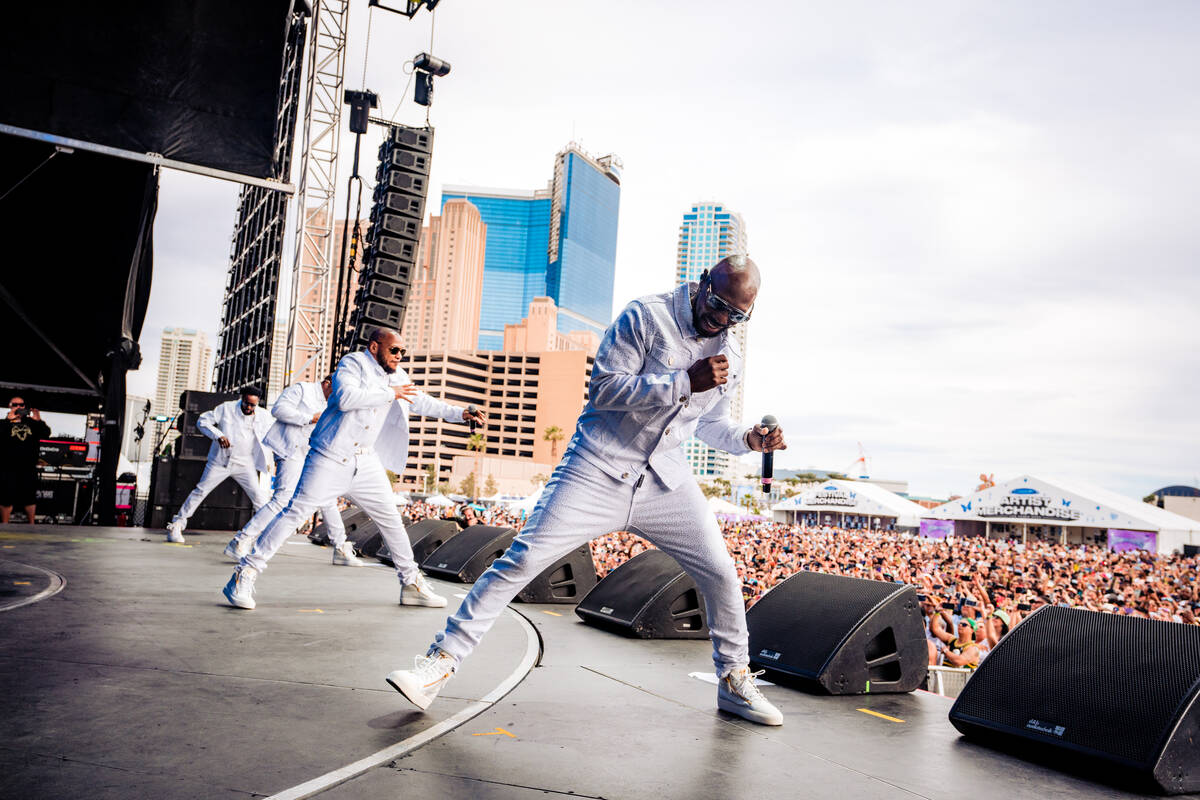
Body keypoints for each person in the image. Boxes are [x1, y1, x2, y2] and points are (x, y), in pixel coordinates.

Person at [386, 255, 788, 727]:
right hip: (597, 465)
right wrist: (683, 381)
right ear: (702, 283)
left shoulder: (731, 355)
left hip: (665, 480)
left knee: (721, 572)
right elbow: (605, 390)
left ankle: (734, 680)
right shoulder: (646, 315)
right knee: (523, 560)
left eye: (737, 316)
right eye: (719, 305)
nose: (723, 320)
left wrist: (748, 440)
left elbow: (711, 424)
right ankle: (441, 663)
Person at [222, 328, 486, 610]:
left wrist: (460, 413)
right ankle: (244, 573)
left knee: (391, 521)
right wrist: (390, 393)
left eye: (402, 352)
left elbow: (421, 401)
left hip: (366, 460)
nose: (399, 356)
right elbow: (347, 398)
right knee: (294, 513)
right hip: (329, 456)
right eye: (394, 350)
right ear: (374, 347)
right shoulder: (352, 364)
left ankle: (411, 584)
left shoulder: (397, 377)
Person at [222, 374, 359, 567]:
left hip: (312, 452)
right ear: (329, 383)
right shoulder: (302, 390)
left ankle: (340, 547)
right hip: (290, 449)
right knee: (282, 498)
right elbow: (278, 410)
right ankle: (241, 541)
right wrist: (310, 418)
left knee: (327, 499)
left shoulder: (334, 403)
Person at [166, 387, 273, 543]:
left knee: (259, 498)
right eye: (246, 403)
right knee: (200, 491)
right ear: (241, 398)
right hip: (221, 461)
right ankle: (176, 525)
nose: (249, 408)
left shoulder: (264, 415)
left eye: (252, 405)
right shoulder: (226, 408)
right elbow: (202, 421)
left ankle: (267, 533)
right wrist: (218, 435)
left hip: (246, 463)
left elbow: (273, 433)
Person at [0, 396, 50, 523]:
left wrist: (39, 420)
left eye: (21, 405)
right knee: (6, 497)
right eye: (15, 404)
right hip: (8, 466)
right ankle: (5, 524)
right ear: (10, 406)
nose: (18, 407)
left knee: (30, 497)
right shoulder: (3, 423)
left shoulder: (32, 423)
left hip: (28, 466)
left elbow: (46, 433)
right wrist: (8, 420)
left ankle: (31, 524)